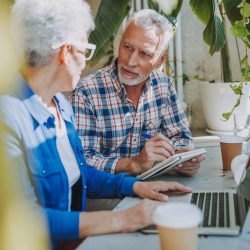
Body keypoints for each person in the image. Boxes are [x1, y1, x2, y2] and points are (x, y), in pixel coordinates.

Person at [0, 1, 192, 249]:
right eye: (86, 50)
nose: (85, 63)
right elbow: (23, 218)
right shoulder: (9, 118)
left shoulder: (59, 103)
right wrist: (120, 219)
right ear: (65, 53)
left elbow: (81, 171)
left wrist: (135, 185)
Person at [71, 9, 205, 177]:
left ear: (160, 60)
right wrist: (134, 164)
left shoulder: (164, 86)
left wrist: (183, 157)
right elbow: (83, 159)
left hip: (153, 184)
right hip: (106, 196)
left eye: (144, 53)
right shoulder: (86, 91)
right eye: (127, 47)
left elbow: (180, 135)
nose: (130, 61)